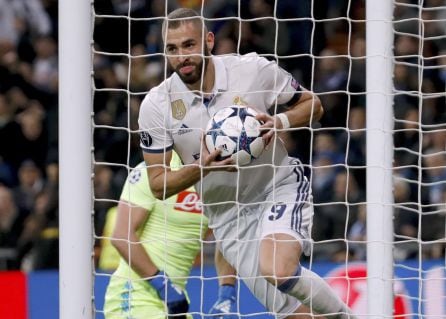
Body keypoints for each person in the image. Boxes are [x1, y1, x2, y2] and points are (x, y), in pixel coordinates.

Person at [138, 7, 357, 319]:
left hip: (276, 186)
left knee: (278, 270)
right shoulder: (157, 105)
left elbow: (314, 105)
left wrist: (278, 121)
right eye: (172, 49)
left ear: (208, 41)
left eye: (188, 45)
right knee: (299, 314)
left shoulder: (252, 70)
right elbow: (158, 185)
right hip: (227, 216)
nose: (181, 56)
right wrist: (204, 168)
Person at [103, 151, 237, 318]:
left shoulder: (220, 176)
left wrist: (226, 292)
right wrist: (163, 285)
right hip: (134, 296)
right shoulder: (153, 172)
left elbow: (225, 237)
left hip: (176, 299)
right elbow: (121, 237)